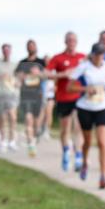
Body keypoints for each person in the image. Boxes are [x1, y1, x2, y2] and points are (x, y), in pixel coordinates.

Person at [70, 43, 105, 189]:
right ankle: (84, 163)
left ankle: (103, 176)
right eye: (96, 54)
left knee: (103, 141)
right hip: (85, 108)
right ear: (92, 55)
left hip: (102, 106)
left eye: (101, 54)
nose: (99, 57)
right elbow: (69, 86)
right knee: (87, 141)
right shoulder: (84, 67)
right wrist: (85, 88)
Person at [46, 32, 86, 172]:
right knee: (65, 129)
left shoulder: (82, 57)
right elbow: (47, 73)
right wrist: (62, 74)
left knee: (78, 126)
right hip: (63, 97)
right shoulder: (58, 58)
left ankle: (79, 155)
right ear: (65, 42)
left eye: (74, 40)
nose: (71, 42)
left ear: (77, 42)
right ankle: (65, 151)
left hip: (79, 97)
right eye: (69, 40)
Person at [16, 40, 46, 157]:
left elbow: (47, 75)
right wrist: (23, 76)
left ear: (36, 48)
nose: (31, 48)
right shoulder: (22, 63)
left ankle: (35, 134)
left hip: (38, 95)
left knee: (36, 122)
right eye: (29, 46)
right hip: (26, 95)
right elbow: (17, 76)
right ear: (27, 48)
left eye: (33, 46)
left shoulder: (41, 62)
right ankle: (31, 145)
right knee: (28, 119)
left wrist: (38, 73)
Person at [0, 43, 20, 152]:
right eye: (5, 50)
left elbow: (19, 78)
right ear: (2, 51)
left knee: (13, 118)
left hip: (12, 94)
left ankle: (12, 141)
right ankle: (3, 141)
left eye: (8, 50)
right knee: (2, 119)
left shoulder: (15, 64)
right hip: (0, 94)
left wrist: (18, 83)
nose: (6, 52)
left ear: (11, 51)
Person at [38, 54, 55, 141]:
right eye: (45, 60)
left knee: (49, 113)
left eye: (48, 59)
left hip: (51, 95)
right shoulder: (41, 70)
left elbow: (56, 80)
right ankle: (39, 129)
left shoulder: (54, 70)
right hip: (42, 94)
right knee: (42, 113)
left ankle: (47, 131)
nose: (47, 61)